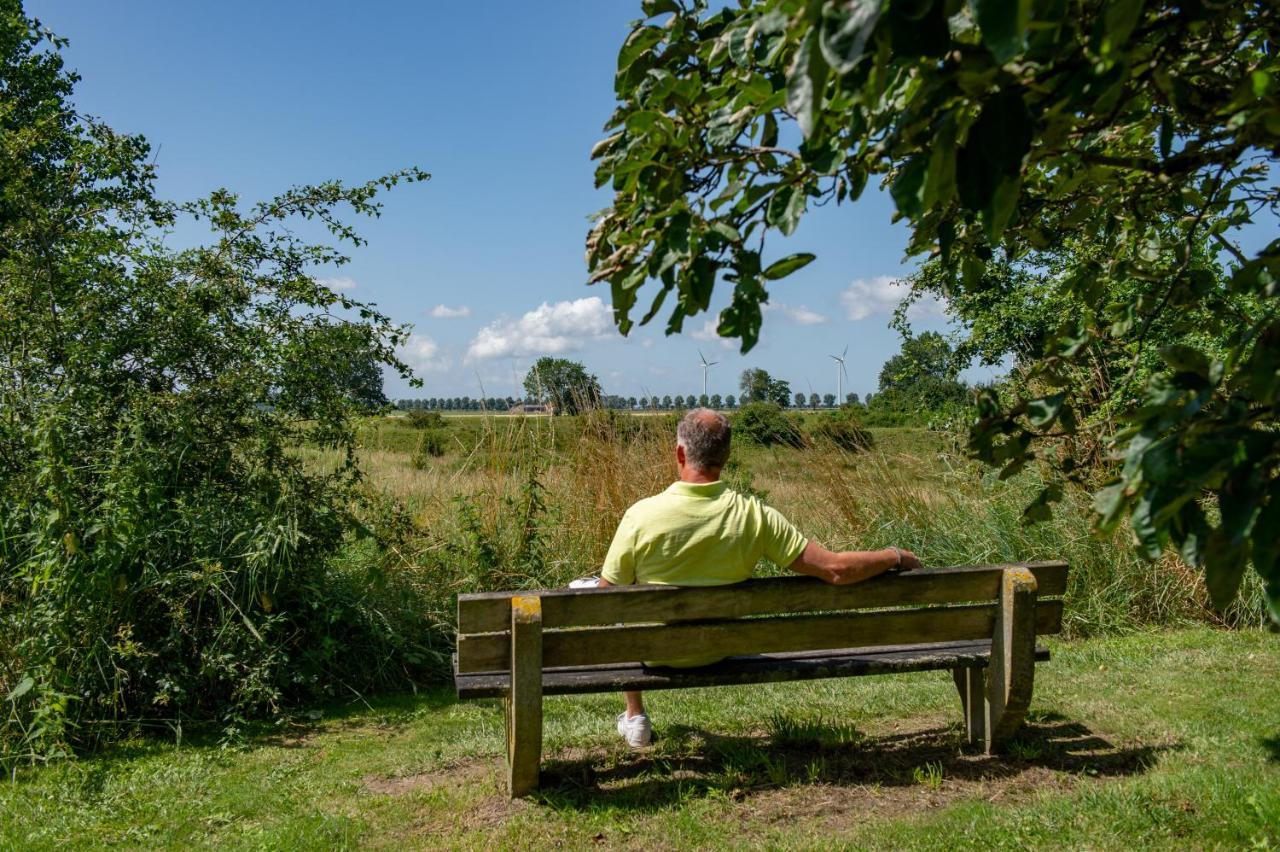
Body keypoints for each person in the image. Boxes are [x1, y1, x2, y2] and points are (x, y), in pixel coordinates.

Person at [598, 408, 922, 748]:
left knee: (626, 605)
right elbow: (835, 569)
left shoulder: (640, 515)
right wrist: (894, 556)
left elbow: (605, 600)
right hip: (719, 650)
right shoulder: (755, 516)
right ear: (726, 455)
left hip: (655, 653)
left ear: (681, 453)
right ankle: (635, 716)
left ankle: (635, 718)